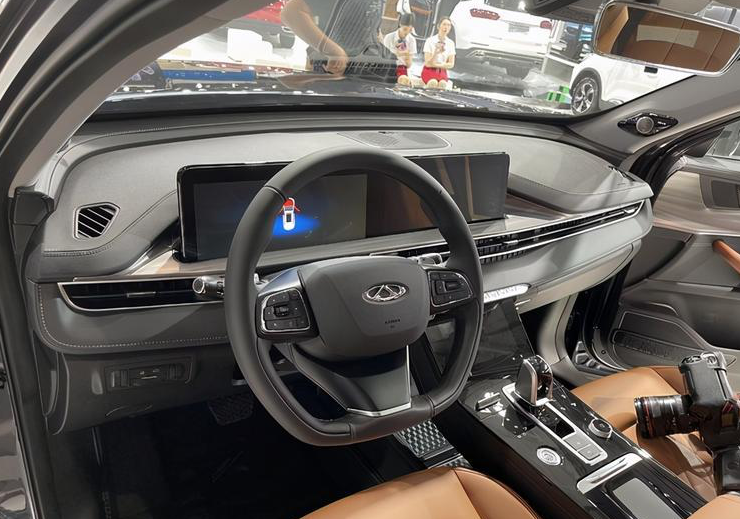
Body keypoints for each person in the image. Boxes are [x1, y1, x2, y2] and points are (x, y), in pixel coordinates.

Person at [282, 0, 387, 77]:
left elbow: (372, 26)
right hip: (332, 73)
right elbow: (291, 12)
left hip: (366, 74)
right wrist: (334, 52)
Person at [383, 13, 417, 86]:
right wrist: (396, 53)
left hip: (402, 69)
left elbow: (409, 65)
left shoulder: (411, 40)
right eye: (405, 29)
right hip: (388, 67)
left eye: (410, 30)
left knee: (404, 81)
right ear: (400, 25)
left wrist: (407, 55)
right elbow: (383, 59)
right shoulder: (389, 37)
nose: (407, 32)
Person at [422, 17, 455, 89]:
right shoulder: (430, 40)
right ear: (438, 26)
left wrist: (437, 65)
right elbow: (428, 63)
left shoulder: (451, 43)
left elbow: (451, 64)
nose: (446, 27)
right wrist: (436, 52)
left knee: (443, 84)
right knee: (433, 82)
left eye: (449, 25)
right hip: (429, 71)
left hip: (442, 71)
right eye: (444, 24)